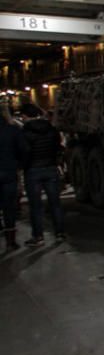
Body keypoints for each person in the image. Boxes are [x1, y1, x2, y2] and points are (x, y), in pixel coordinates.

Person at [20, 104, 65, 246]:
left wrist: (23, 167)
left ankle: (38, 236)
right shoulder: (51, 130)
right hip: (50, 168)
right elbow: (58, 147)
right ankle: (60, 233)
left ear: (25, 116)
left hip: (33, 171)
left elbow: (24, 152)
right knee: (55, 204)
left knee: (35, 206)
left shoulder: (25, 133)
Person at [0, 104, 26, 251]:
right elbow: (23, 149)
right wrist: (19, 166)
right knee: (9, 206)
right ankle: (11, 241)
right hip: (9, 171)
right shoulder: (12, 130)